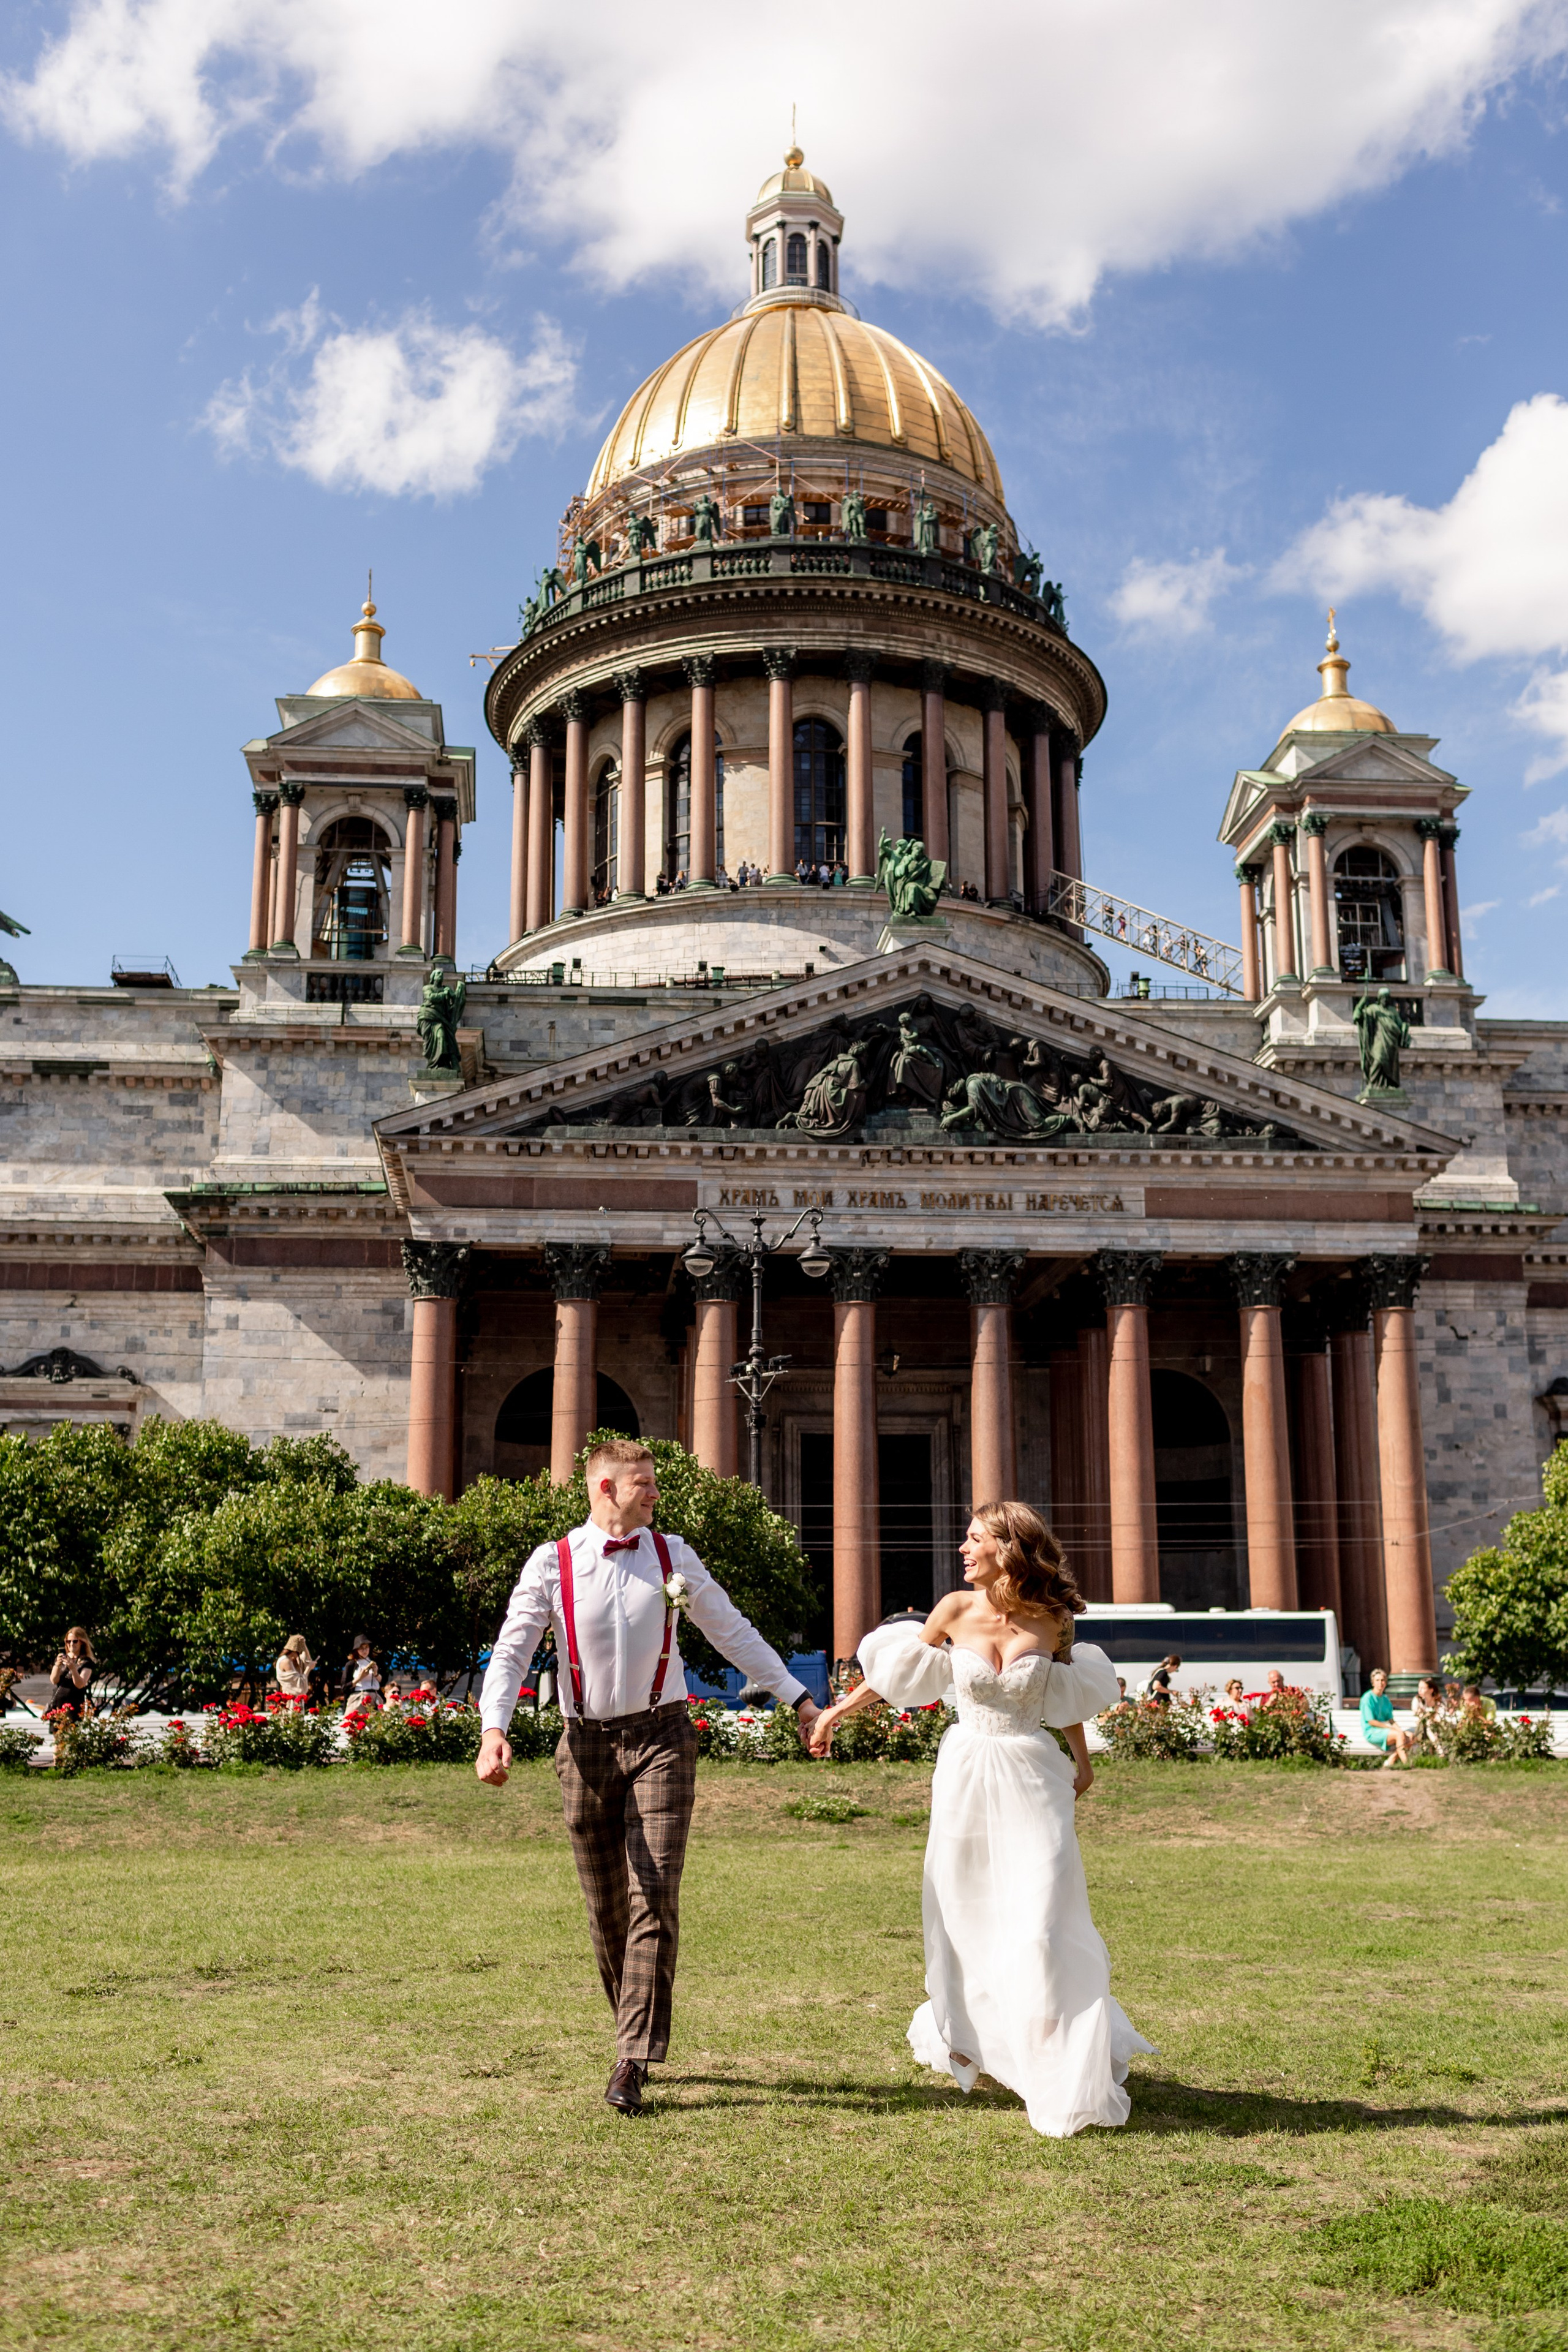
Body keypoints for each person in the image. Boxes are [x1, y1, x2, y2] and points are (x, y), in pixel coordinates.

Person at [475, 1438, 823, 2117]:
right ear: (606, 1488)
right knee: (606, 1903)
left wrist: (798, 1700)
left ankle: (631, 2059)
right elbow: (512, 1650)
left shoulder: (673, 1556)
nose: (656, 1493)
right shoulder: (552, 1562)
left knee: (654, 1892)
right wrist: (495, 1730)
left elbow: (731, 1631)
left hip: (663, 1735)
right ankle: (629, 2030)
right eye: (644, 1483)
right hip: (585, 1746)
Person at [808, 1500, 1155, 2137]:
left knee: (1044, 1917)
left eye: (974, 1539)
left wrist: (1083, 1764)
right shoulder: (953, 1609)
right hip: (967, 1773)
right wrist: (835, 1713)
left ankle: (1052, 2052)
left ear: (1009, 1546)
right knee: (967, 1910)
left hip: (1034, 1776)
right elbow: (896, 1677)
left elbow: (1064, 1697)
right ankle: (974, 2037)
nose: (964, 1549)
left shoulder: (1053, 1619)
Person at [1359, 1667, 1417, 1767]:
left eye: (1382, 1680)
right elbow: (1371, 1721)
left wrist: (1400, 1730)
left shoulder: (1385, 1699)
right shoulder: (1367, 1698)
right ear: (1373, 1683)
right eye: (1377, 1680)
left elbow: (1391, 1720)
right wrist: (1392, 1730)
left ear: (1385, 1683)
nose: (1380, 1683)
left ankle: (1391, 1760)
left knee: (1410, 1736)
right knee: (1399, 1736)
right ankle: (1407, 1765)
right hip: (1372, 1732)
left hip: (1386, 1731)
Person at [48, 1629, 96, 1720]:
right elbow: (54, 1681)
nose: (71, 1644)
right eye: (68, 1641)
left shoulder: (86, 1662)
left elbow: (80, 1684)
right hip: (58, 1706)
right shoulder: (62, 1658)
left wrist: (73, 1668)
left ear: (82, 1642)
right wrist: (57, 1665)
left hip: (74, 1707)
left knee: (72, 1729)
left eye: (75, 1641)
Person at [344, 1637, 381, 1715]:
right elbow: (344, 1687)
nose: (364, 1651)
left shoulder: (375, 1662)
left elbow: (382, 1681)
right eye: (361, 1648)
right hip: (359, 1697)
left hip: (375, 1697)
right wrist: (360, 1678)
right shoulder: (351, 1664)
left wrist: (376, 1673)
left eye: (366, 1648)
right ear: (356, 1650)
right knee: (356, 1721)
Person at [275, 1635, 314, 1702]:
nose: (299, 1655)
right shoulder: (286, 1661)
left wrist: (303, 1644)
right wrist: (309, 1668)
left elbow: (308, 1660)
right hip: (290, 1698)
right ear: (294, 1651)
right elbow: (299, 1685)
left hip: (292, 1698)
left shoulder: (287, 1660)